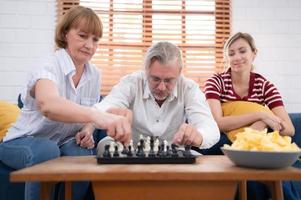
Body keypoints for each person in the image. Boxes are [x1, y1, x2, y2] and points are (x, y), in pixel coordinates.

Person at [0, 6, 131, 200]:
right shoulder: (47, 64)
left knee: (82, 154)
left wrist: (87, 130)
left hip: (63, 141)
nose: (90, 45)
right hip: (23, 140)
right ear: (65, 34)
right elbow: (49, 105)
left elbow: (91, 108)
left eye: (95, 39)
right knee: (47, 150)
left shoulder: (94, 74)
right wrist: (98, 117)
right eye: (83, 36)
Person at [203, 32, 298, 200]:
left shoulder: (265, 86)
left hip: (254, 143)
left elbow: (289, 129)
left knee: (276, 174)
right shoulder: (216, 81)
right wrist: (259, 115)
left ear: (254, 53)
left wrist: (264, 124)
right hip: (223, 142)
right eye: (231, 53)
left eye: (242, 51)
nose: (237, 57)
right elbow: (217, 123)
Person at [95, 41, 220, 152]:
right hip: (131, 153)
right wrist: (109, 115)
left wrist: (199, 136)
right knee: (103, 145)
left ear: (179, 73)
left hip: (173, 155)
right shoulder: (132, 82)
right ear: (146, 71)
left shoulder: (189, 88)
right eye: (155, 79)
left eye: (169, 80)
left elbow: (211, 129)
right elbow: (100, 110)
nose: (161, 87)